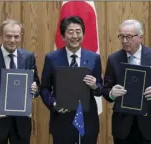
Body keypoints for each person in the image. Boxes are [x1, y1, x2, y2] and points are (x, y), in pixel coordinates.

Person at [103, 19, 151, 144]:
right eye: (122, 36)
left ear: (140, 37)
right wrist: (111, 93)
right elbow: (105, 89)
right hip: (123, 128)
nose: (125, 41)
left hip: (150, 126)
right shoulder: (113, 59)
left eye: (129, 37)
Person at [40, 16, 103, 144]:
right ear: (63, 36)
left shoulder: (94, 58)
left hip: (87, 120)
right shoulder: (52, 58)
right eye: (70, 32)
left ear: (83, 35)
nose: (75, 36)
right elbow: (44, 88)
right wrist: (53, 104)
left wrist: (95, 86)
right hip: (62, 121)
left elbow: (101, 89)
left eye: (78, 31)